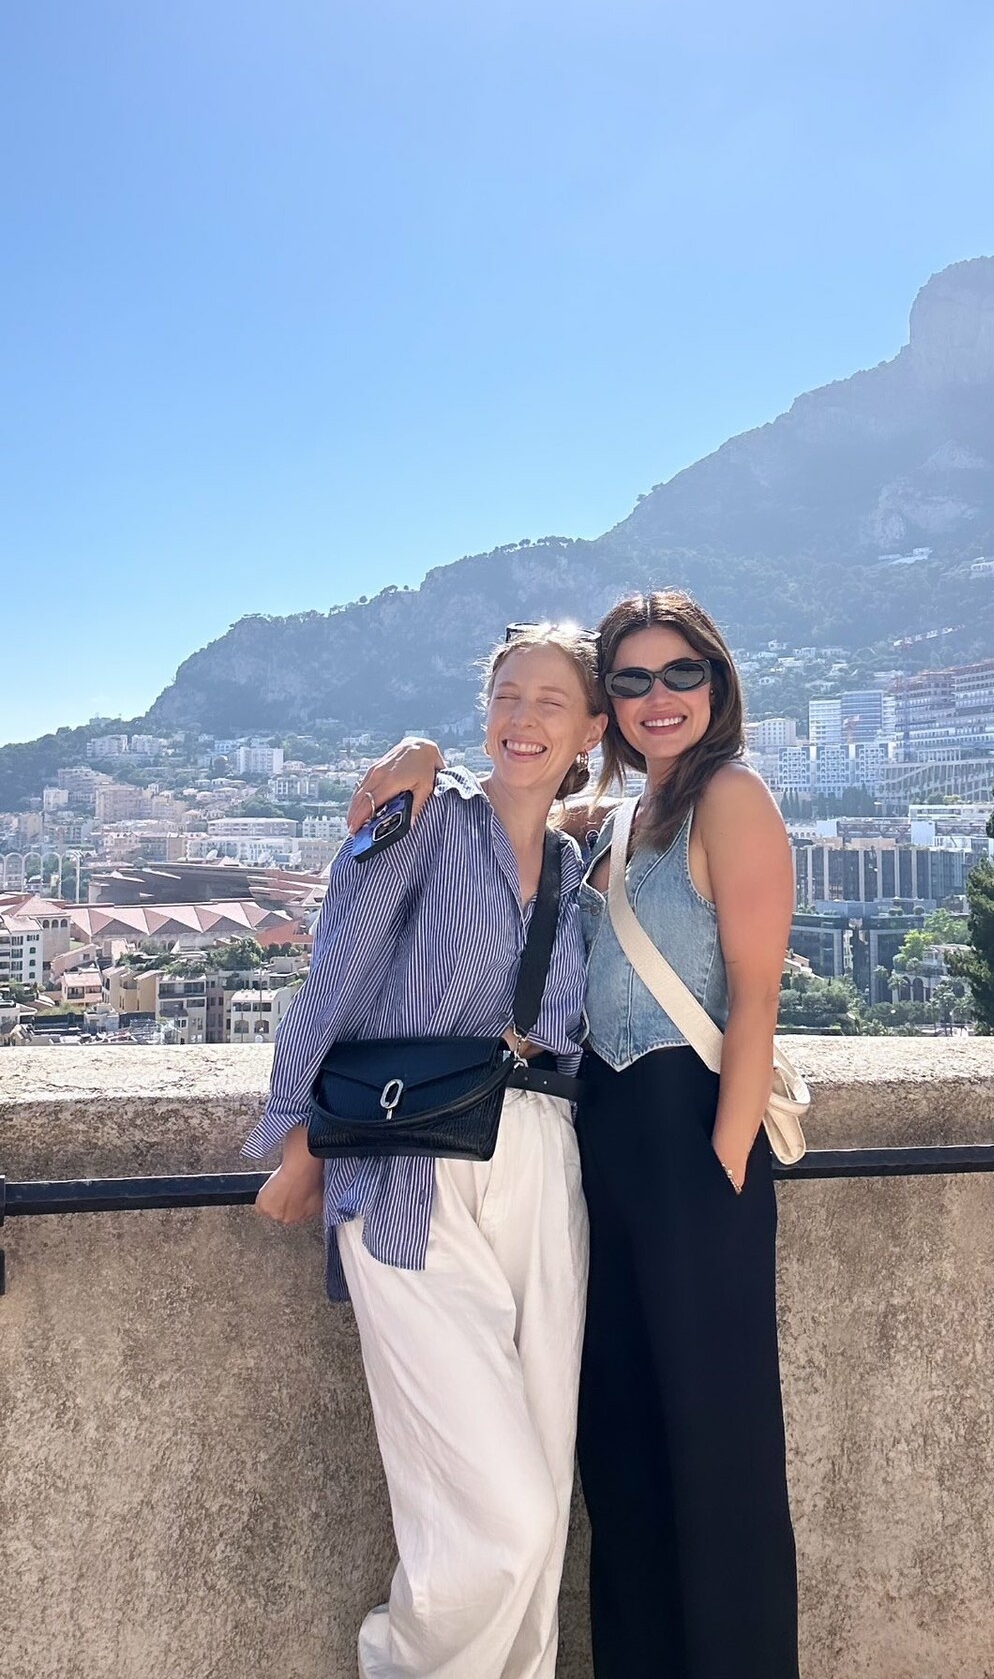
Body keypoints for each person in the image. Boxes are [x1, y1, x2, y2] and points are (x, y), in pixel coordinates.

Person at [352, 588, 801, 1679]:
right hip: (601, 1144)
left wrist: (722, 1164)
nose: (658, 697)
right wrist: (419, 752)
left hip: (691, 1140)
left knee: (716, 1445)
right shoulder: (621, 819)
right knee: (624, 1445)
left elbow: (756, 997)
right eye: (633, 679)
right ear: (610, 710)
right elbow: (509, 804)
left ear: (718, 682)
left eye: (681, 673)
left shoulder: (732, 796)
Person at [243, 623, 607, 1679]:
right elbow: (340, 970)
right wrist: (301, 1137)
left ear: (592, 729)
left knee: (543, 1487)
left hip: (545, 1164)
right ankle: (400, 1662)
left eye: (550, 701)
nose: (522, 719)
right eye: (506, 696)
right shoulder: (425, 822)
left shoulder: (583, 865)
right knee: (502, 1515)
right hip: (410, 1171)